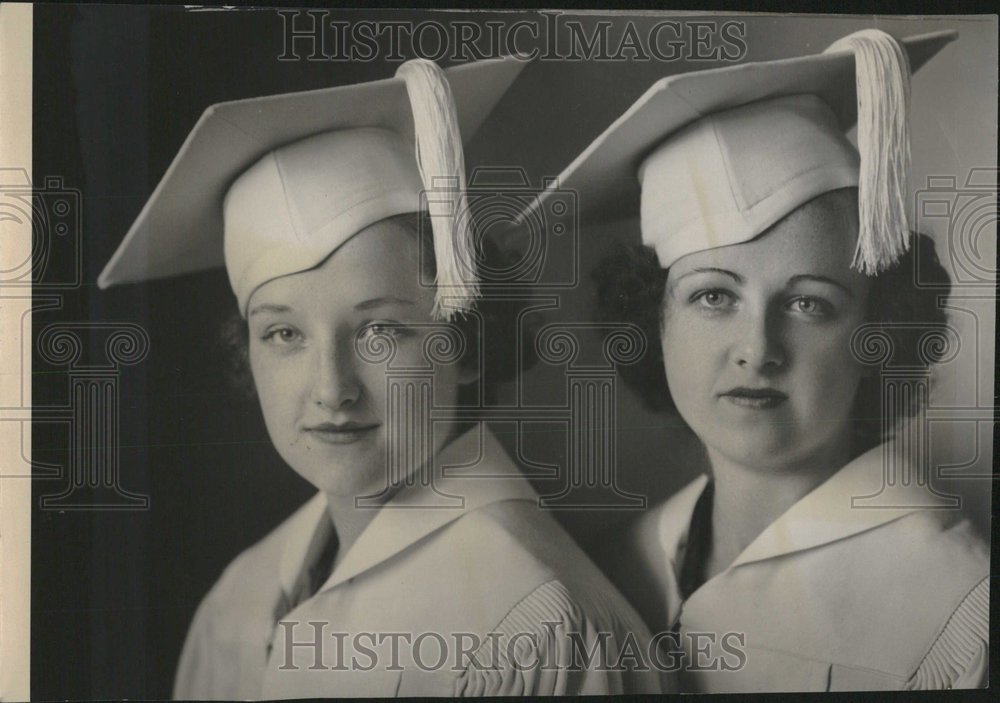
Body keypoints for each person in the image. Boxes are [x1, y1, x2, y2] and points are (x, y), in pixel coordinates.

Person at [98, 58, 661, 698]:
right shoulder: (240, 597)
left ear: (468, 338)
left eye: (380, 332)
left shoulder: (539, 625)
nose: (332, 388)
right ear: (246, 349)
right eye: (284, 334)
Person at [531, 29, 989, 692]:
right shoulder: (610, 568)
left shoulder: (957, 610)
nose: (758, 348)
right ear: (653, 320)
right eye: (713, 295)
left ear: (878, 332)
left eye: (810, 304)